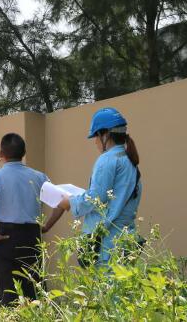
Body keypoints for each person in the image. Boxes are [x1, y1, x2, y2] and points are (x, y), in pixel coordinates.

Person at [0, 133, 64, 305]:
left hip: (6, 238)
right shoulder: (39, 177)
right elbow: (62, 202)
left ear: (1, 154)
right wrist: (47, 226)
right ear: (24, 153)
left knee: (9, 293)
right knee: (34, 292)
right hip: (32, 237)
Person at [56, 107, 142, 267]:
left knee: (106, 283)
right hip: (126, 241)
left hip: (107, 244)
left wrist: (70, 203)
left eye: (96, 136)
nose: (95, 141)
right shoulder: (129, 160)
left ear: (105, 135)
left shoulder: (107, 159)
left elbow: (95, 198)